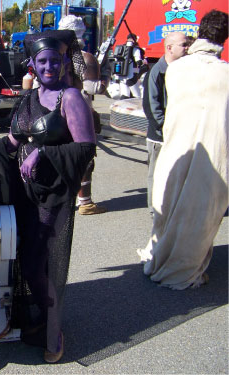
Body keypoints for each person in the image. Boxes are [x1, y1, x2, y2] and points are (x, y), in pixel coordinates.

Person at [0, 29, 95, 363]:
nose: (48, 67)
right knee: (25, 259)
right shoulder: (28, 99)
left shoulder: (70, 98)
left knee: (39, 263)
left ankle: (54, 328)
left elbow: (86, 148)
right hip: (24, 190)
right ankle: (36, 320)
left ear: (62, 63)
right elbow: (12, 143)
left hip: (53, 193)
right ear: (32, 64)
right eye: (41, 61)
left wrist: (43, 154)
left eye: (54, 61)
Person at [138, 10, 228, 290]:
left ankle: (161, 255)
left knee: (171, 202)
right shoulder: (226, 72)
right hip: (213, 149)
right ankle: (186, 264)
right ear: (224, 39)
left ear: (200, 32)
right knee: (200, 210)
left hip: (175, 146)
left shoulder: (177, 69)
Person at [59, 14, 107, 215]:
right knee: (85, 158)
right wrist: (106, 76)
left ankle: (63, 199)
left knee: (61, 156)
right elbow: (93, 88)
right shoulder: (83, 57)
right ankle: (85, 202)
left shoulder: (53, 54)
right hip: (80, 112)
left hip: (56, 112)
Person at [142, 31, 188, 215]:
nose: (187, 48)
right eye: (183, 45)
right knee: (157, 176)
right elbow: (152, 109)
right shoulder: (156, 73)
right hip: (160, 138)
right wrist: (166, 130)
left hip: (180, 136)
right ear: (169, 48)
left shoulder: (185, 71)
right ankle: (156, 213)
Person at [114, 33, 148, 98]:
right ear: (135, 39)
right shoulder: (135, 49)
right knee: (137, 95)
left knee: (124, 95)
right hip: (132, 76)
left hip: (121, 76)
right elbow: (138, 61)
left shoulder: (122, 48)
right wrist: (143, 62)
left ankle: (123, 107)